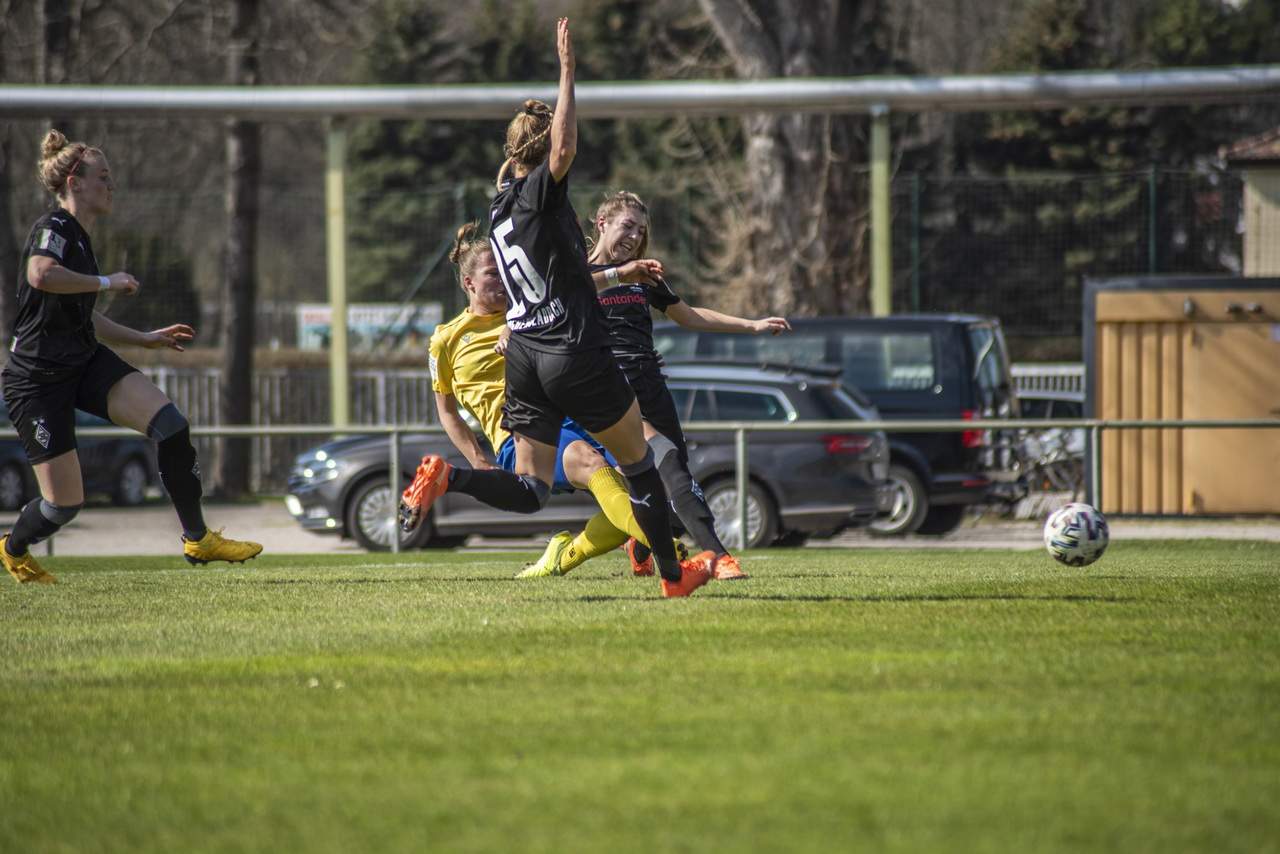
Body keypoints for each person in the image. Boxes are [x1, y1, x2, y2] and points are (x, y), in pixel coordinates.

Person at [399, 18, 710, 597]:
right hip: (570, 349)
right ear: (541, 155)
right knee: (640, 464)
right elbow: (562, 149)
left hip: (524, 356)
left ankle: (450, 479)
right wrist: (567, 72)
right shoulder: (537, 197)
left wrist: (614, 272)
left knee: (532, 489)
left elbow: (551, 243)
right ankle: (674, 576)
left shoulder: (499, 206)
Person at [0, 130, 262, 584]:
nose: (111, 185)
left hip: (83, 361)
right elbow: (41, 274)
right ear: (75, 183)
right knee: (63, 505)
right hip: (36, 380)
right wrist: (108, 282)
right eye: (103, 177)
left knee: (171, 425)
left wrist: (144, 339)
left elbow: (84, 315)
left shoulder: (82, 239)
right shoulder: (53, 227)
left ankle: (198, 539)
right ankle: (12, 547)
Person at [426, 223, 684, 579]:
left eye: (505, 273)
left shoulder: (531, 311)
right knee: (588, 461)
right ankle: (668, 551)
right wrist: (479, 461)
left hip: (574, 412)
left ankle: (565, 557)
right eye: (492, 274)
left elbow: (576, 289)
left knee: (645, 486)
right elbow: (447, 411)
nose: (502, 281)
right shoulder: (446, 340)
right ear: (469, 283)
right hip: (523, 432)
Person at [586, 190, 791, 579]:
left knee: (673, 478)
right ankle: (719, 557)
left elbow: (689, 315)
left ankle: (640, 546)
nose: (634, 236)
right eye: (627, 226)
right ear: (602, 223)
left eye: (641, 230)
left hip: (651, 385)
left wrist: (752, 325)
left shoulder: (643, 276)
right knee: (670, 467)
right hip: (612, 391)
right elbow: (547, 304)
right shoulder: (579, 274)